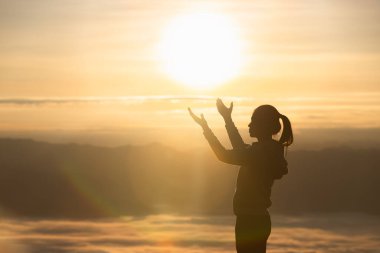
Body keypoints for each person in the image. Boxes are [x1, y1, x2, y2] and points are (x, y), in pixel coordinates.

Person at [188, 98, 293, 253]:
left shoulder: (259, 153)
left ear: (263, 126)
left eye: (253, 121)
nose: (249, 125)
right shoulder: (266, 150)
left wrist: (205, 128)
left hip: (249, 220)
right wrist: (227, 118)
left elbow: (223, 155)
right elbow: (240, 148)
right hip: (258, 219)